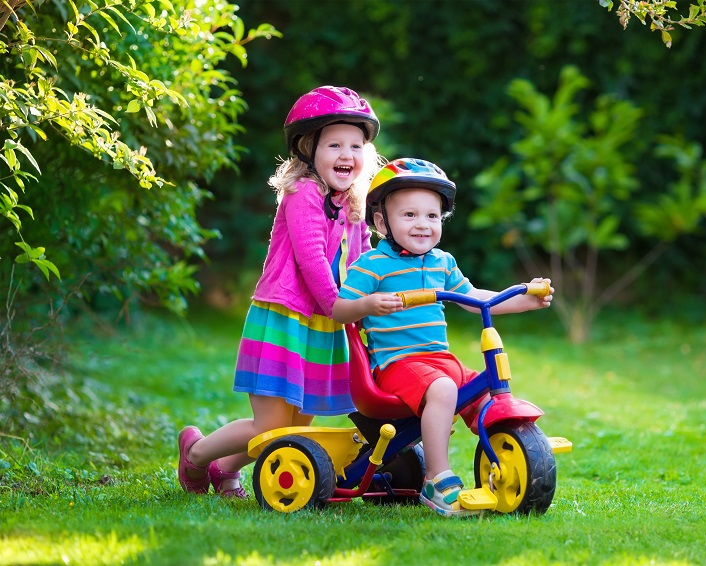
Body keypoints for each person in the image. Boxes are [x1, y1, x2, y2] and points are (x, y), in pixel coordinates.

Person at [177, 86, 385, 498]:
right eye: (335, 144)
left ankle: (224, 470)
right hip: (287, 315)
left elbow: (362, 262)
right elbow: (310, 260)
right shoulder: (302, 193)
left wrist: (368, 306)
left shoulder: (353, 202)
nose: (347, 154)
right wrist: (342, 306)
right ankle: (197, 455)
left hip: (326, 323)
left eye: (356, 145)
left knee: (295, 428)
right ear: (309, 148)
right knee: (271, 426)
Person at [332, 158, 554, 517]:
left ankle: (507, 458)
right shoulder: (371, 265)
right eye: (409, 215)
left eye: (432, 216)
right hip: (397, 365)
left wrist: (524, 301)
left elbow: (476, 298)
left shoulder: (443, 262)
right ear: (380, 222)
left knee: (483, 397)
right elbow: (339, 310)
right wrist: (369, 303)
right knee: (445, 389)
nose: (423, 224)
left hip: (439, 361)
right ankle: (436, 478)